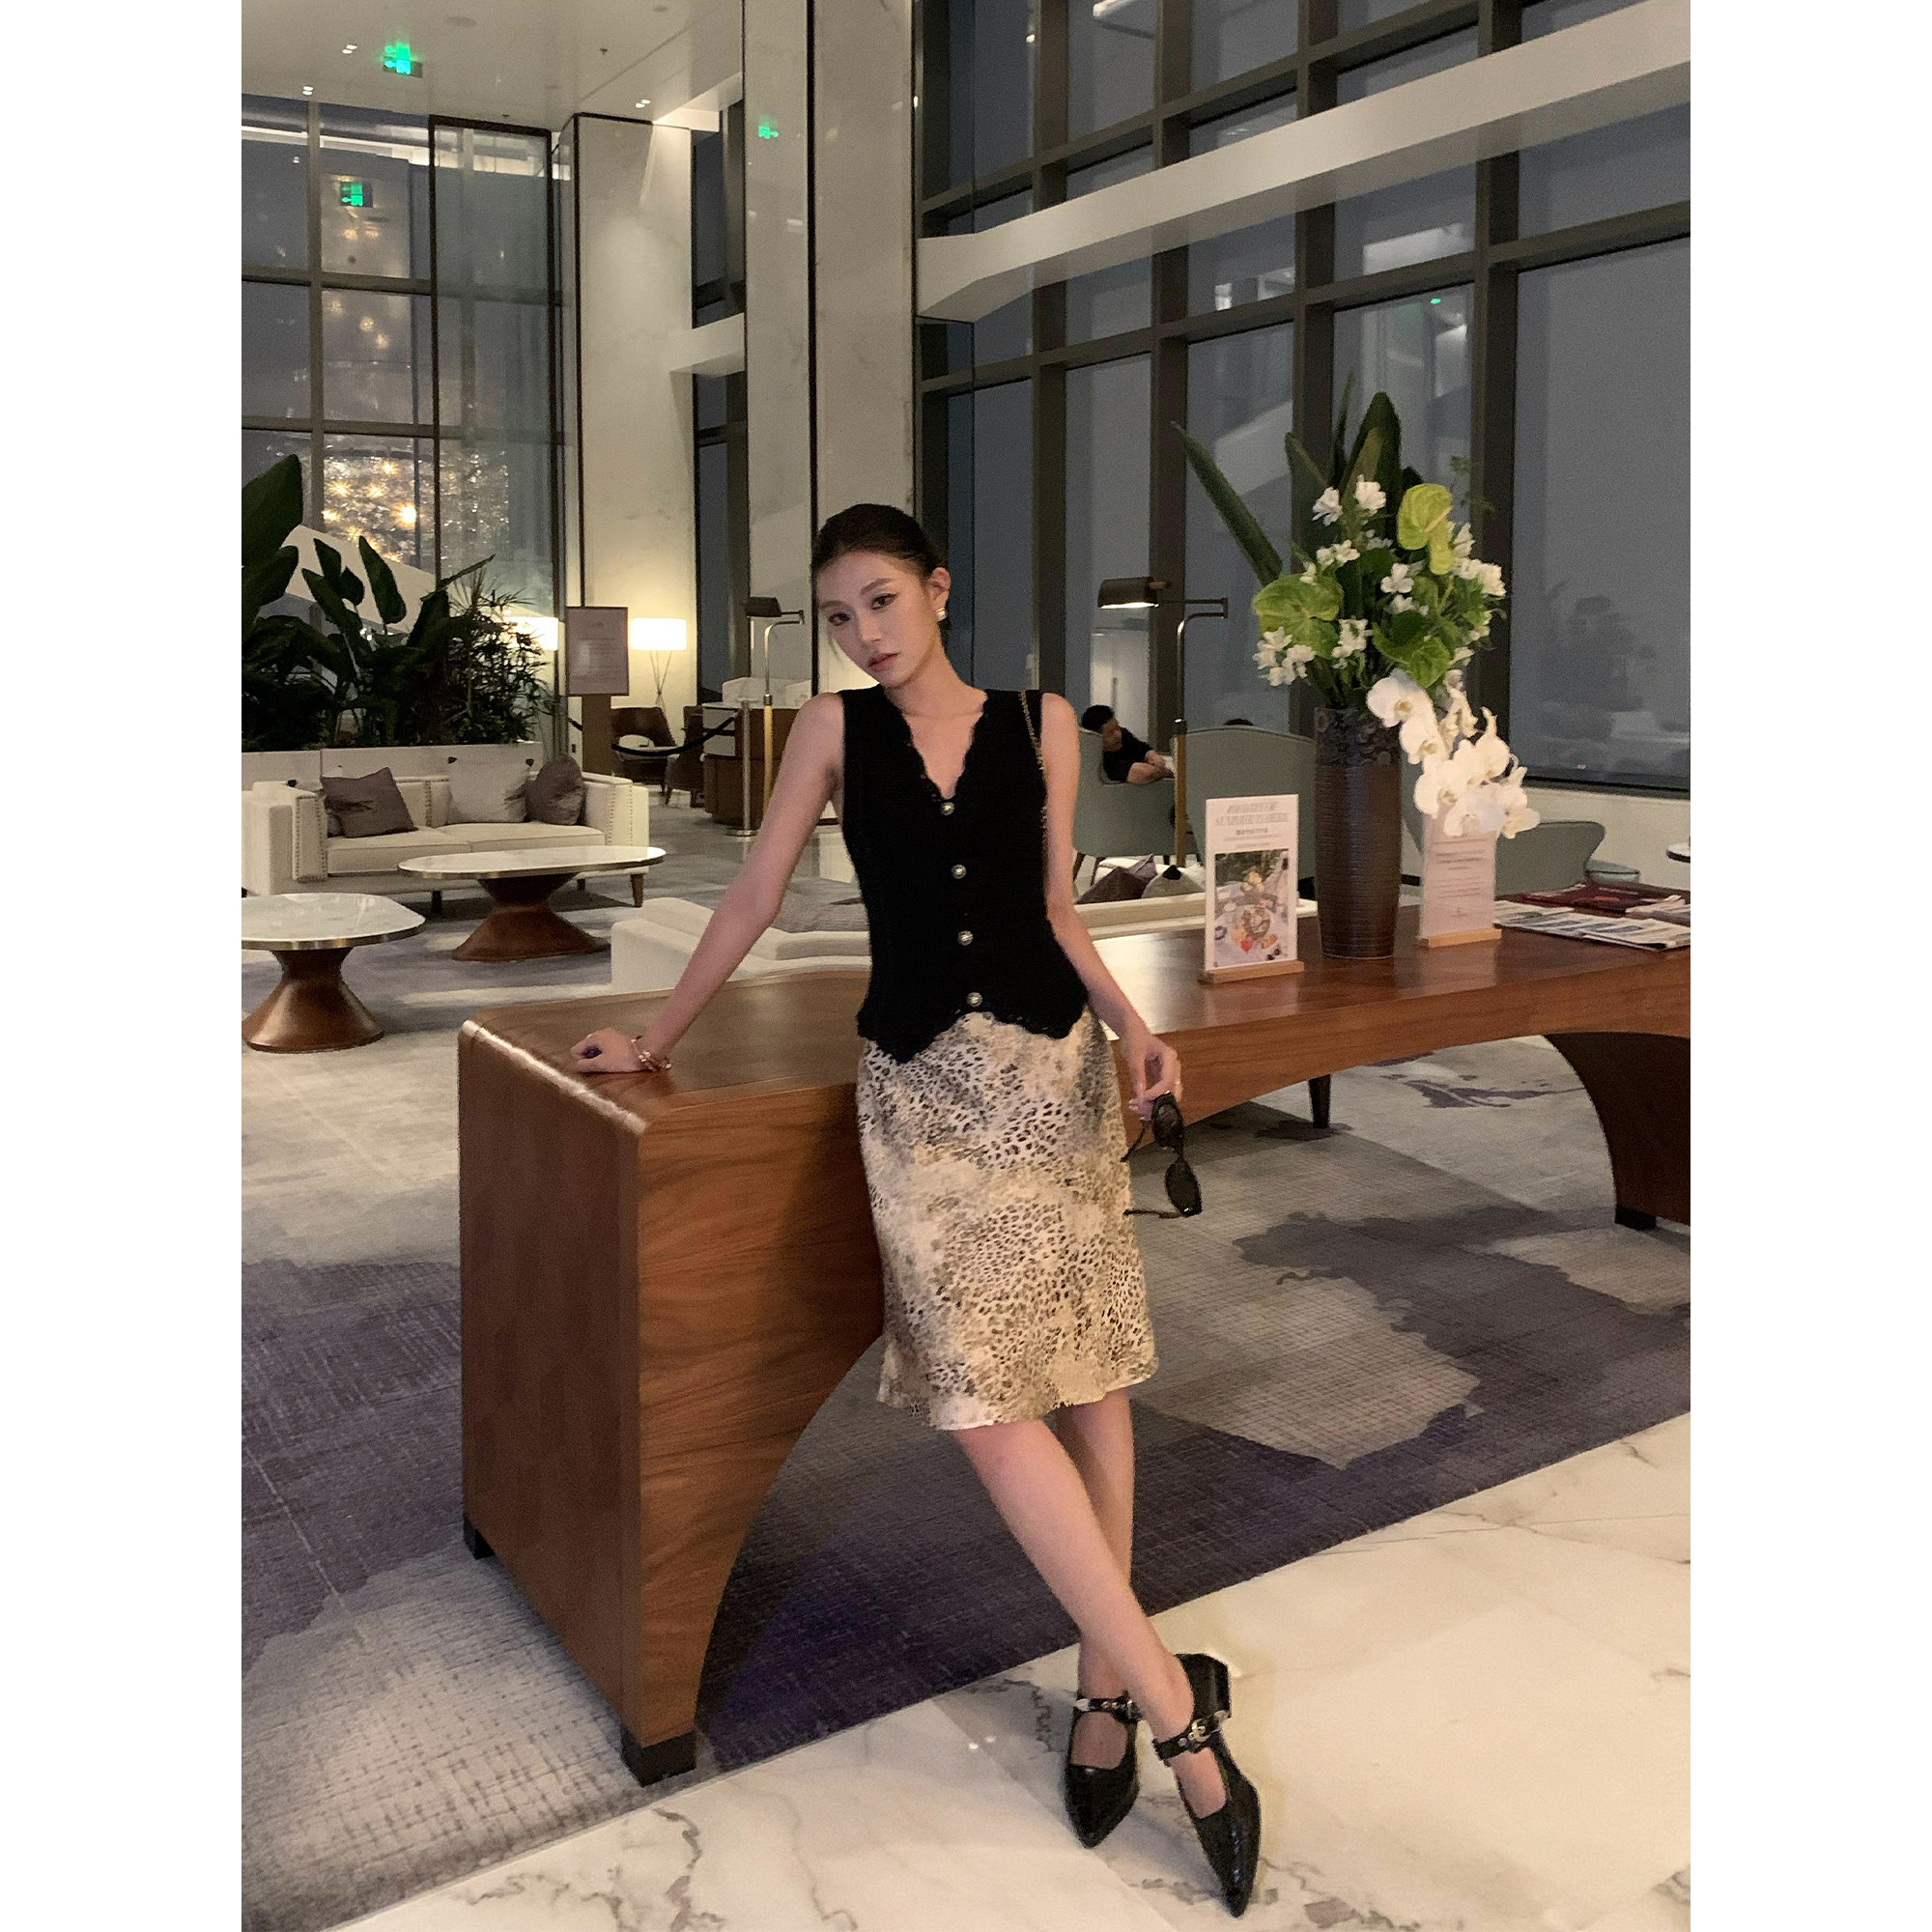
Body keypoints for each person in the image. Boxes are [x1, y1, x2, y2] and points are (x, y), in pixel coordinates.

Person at [571, 503, 1262, 1915]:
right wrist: (655, 1034)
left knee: (1086, 1373)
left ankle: (1104, 1686)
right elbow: (754, 894)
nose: (863, 634)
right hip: (920, 1096)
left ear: (938, 590)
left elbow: (1056, 912)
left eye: (882, 601)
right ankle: (1180, 1712)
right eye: (840, 615)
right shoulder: (830, 733)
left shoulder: (1042, 722)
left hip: (1051, 1077)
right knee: (981, 1397)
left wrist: (1135, 1028)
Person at [1081, 702, 1173, 784]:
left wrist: (1153, 756)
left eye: (1117, 728)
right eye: (1110, 733)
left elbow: (1142, 748)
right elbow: (1142, 773)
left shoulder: (1123, 735)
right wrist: (1164, 772)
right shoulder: (1105, 760)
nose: (1118, 735)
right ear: (1097, 739)